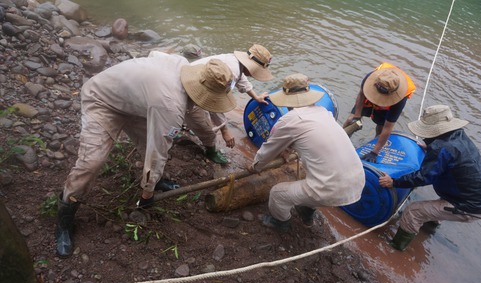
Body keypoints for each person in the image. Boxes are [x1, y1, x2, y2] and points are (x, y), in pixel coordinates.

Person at [55, 55, 236, 257]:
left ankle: (154, 180)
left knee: (150, 142)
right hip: (102, 100)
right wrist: (146, 194)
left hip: (136, 102)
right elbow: (158, 151)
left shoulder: (183, 65)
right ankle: (65, 217)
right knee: (91, 163)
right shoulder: (169, 106)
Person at [248, 73, 366, 232]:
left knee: (277, 194)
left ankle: (281, 223)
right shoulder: (324, 112)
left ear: (286, 99)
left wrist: (255, 166)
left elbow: (267, 150)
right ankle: (307, 211)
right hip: (357, 181)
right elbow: (310, 139)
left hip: (330, 188)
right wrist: (288, 148)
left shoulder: (290, 120)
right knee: (312, 175)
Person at [379, 104, 481, 251]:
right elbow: (449, 156)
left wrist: (393, 182)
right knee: (435, 207)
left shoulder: (442, 148)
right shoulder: (458, 135)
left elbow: (423, 178)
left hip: (467, 206)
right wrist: (430, 148)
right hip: (475, 196)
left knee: (413, 212)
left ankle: (396, 247)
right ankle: (430, 226)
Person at [184, 44, 273, 164]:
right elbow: (213, 101)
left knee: (199, 119)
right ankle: (211, 152)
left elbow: (241, 80)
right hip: (190, 91)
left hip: (192, 80)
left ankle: (185, 125)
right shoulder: (231, 72)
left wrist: (256, 97)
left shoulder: (234, 61)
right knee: (208, 131)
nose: (254, 74)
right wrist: (224, 130)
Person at [342, 63, 416, 163]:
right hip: (368, 97)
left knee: (381, 126)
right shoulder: (370, 78)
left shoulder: (400, 99)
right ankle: (341, 138)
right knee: (351, 120)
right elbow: (361, 94)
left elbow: (388, 126)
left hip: (386, 106)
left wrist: (374, 152)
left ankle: (375, 143)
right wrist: (357, 116)